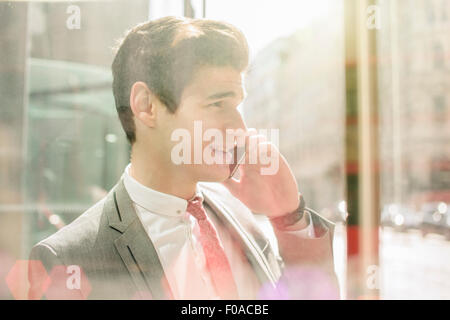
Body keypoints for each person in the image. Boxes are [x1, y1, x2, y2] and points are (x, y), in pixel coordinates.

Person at [28, 16, 338, 300]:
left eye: (237, 106)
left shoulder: (241, 216)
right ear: (146, 105)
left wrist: (289, 219)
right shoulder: (68, 259)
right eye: (217, 104)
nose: (239, 128)